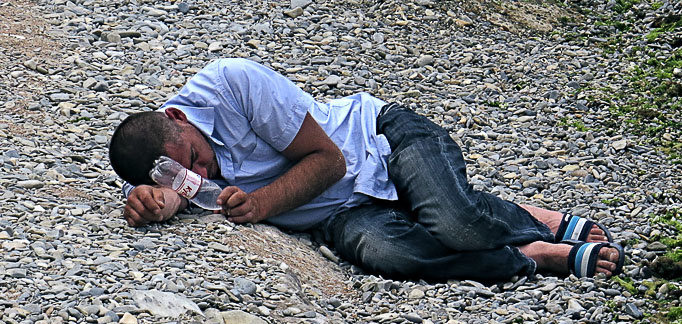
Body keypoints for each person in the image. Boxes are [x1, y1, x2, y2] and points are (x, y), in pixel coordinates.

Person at [108, 58, 624, 283]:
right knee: (391, 253)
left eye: (197, 159)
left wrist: (261, 204)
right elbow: (178, 189)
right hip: (342, 215)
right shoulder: (173, 161)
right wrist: (159, 201)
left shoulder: (232, 84)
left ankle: (534, 220)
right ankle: (527, 255)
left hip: (379, 142)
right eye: (183, 176)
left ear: (178, 117)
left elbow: (328, 162)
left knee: (456, 223)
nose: (205, 172)